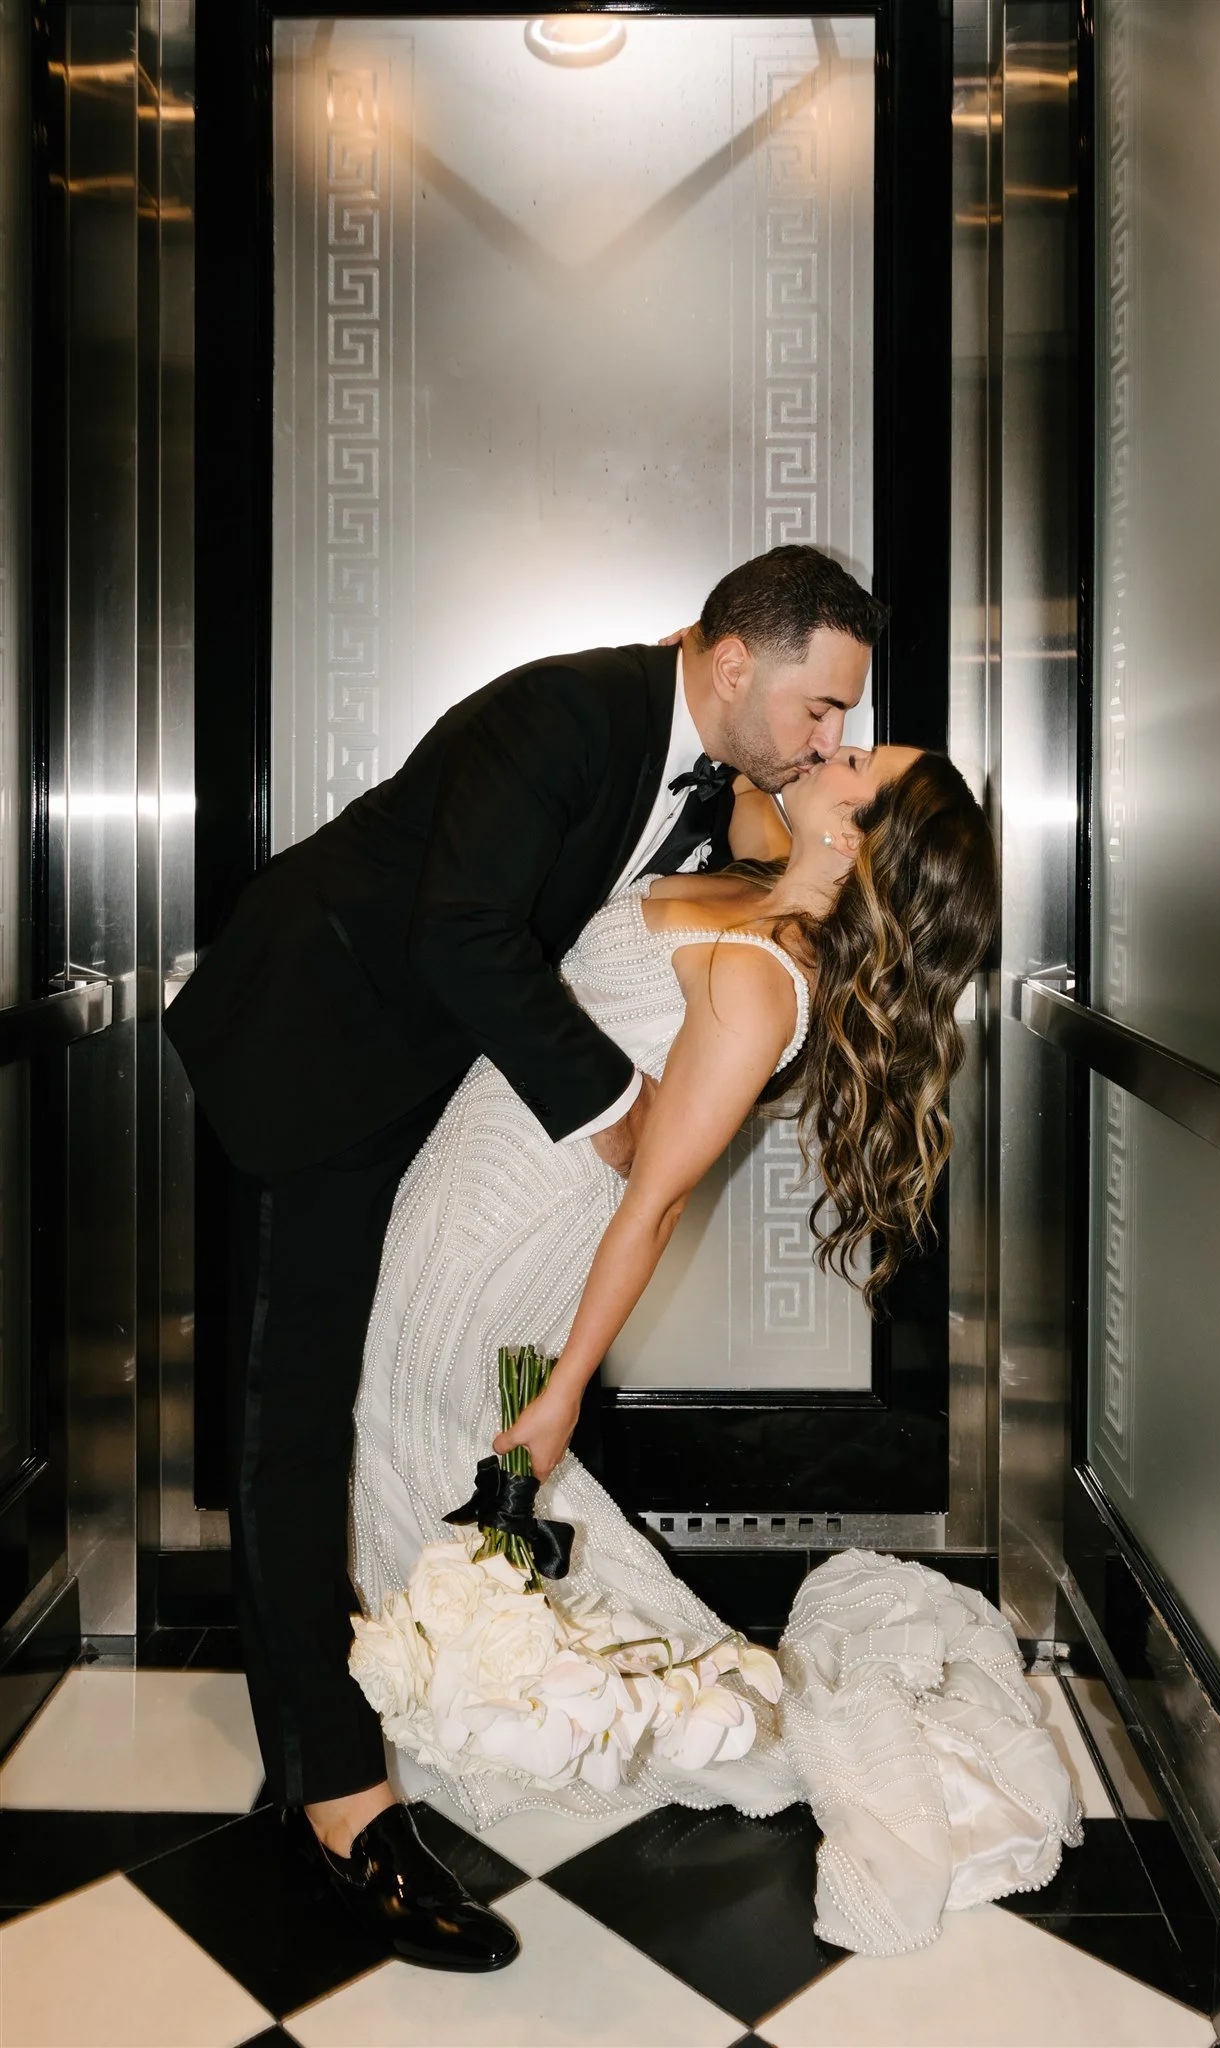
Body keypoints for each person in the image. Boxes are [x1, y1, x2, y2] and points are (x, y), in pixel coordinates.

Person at [163, 544, 889, 1970]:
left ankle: (426, 1655)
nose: (830, 741)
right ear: (735, 661)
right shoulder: (567, 713)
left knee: (409, 1399)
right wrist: (621, 1116)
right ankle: (335, 1799)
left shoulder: (712, 781)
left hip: (432, 1092)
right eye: (821, 709)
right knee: (296, 1412)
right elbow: (461, 928)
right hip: (315, 1050)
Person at [350, 736, 1083, 1956]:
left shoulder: (760, 979)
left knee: (424, 1425)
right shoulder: (751, 882)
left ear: (854, 840)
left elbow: (653, 1198)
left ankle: (510, 1702)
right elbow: (722, 778)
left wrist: (567, 1387)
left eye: (850, 760)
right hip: (470, 1168)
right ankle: (471, 1681)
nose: (826, 748)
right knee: (405, 1427)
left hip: (518, 1223)